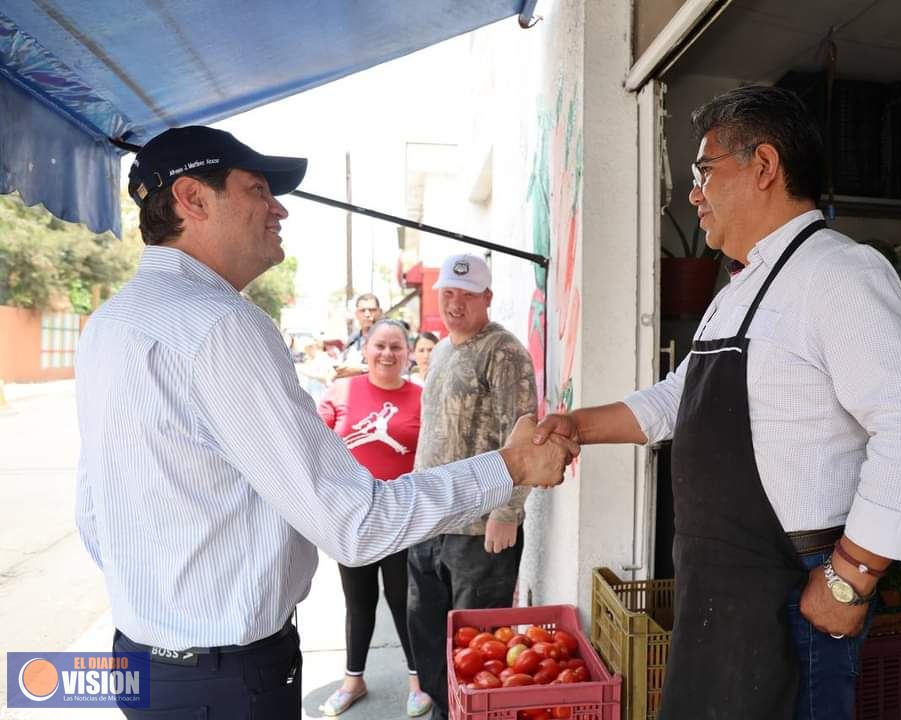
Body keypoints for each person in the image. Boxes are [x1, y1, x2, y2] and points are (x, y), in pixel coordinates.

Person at [74, 126, 576, 719]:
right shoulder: (220, 325)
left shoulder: (110, 322)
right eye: (258, 188)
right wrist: (511, 466)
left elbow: (94, 515)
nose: (278, 207)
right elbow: (355, 524)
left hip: (145, 661)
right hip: (224, 678)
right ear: (193, 199)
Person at [534, 85, 901, 720]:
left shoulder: (839, 273)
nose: (693, 193)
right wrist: (573, 425)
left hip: (793, 591)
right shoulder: (740, 290)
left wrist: (851, 575)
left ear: (764, 166)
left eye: (704, 170)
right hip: (720, 589)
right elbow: (677, 397)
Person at [407, 253, 538, 720]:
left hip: (481, 529)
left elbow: (524, 435)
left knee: (477, 645)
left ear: (487, 298)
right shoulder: (441, 350)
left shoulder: (504, 352)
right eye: (448, 293)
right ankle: (445, 711)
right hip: (430, 522)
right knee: (426, 634)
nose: (456, 303)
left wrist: (509, 512)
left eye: (467, 294)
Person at [316, 318, 432, 717]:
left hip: (403, 518)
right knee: (359, 602)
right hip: (353, 520)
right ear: (365, 348)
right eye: (380, 345)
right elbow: (313, 446)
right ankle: (353, 680)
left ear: (408, 353)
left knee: (404, 601)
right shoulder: (341, 390)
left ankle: (418, 682)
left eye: (396, 347)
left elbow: (434, 458)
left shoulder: (422, 397)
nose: (387, 354)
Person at [339, 293, 383, 371]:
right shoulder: (352, 340)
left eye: (372, 310)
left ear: (380, 312)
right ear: (357, 314)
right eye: (362, 311)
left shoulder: (389, 337)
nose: (367, 314)